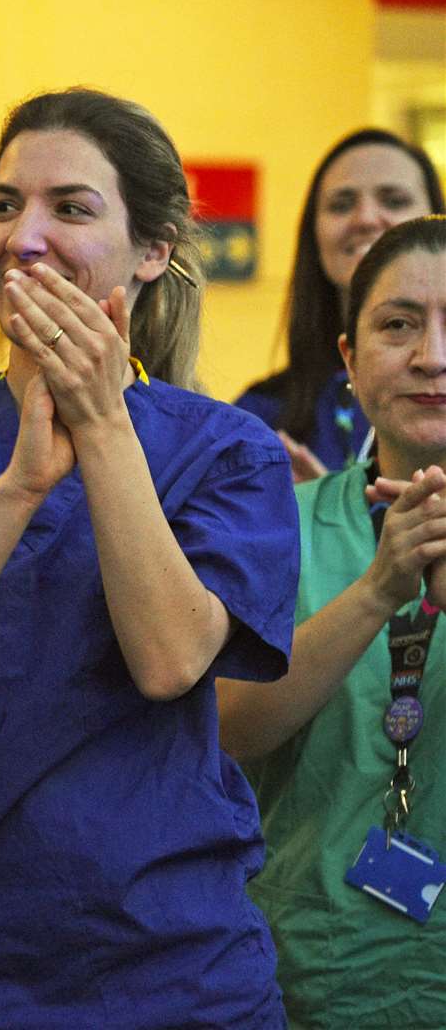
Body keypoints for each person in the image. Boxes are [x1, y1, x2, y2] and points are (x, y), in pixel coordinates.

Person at [0, 87, 298, 1028]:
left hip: (172, 975)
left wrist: (102, 423)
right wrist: (18, 489)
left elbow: (168, 659)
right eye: (2, 206)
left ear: (153, 250)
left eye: (69, 209)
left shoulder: (228, 450)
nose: (21, 237)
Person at [219, 215, 446, 1029]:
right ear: (348, 361)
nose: (431, 356)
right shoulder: (280, 522)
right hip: (304, 978)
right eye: (396, 325)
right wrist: (379, 587)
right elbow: (230, 728)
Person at [236, 129, 442, 481]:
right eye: (342, 204)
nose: (365, 219)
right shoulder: (260, 417)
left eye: (393, 200)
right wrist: (315, 516)